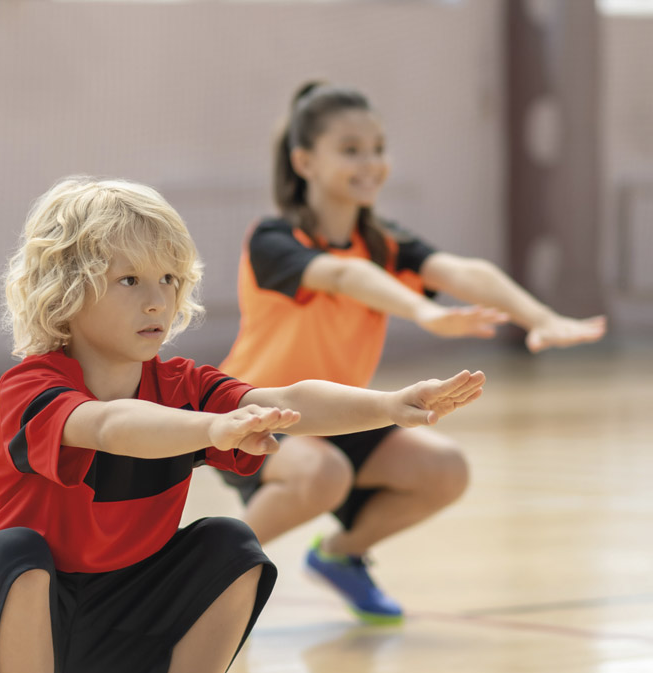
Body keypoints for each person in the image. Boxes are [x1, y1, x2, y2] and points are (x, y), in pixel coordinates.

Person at [0, 176, 485, 673]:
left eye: (170, 278)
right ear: (64, 289)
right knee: (17, 552)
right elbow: (116, 425)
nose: (158, 299)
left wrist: (389, 405)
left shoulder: (183, 385)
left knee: (231, 546)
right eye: (128, 280)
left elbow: (291, 397)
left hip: (100, 637)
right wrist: (213, 426)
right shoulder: (33, 388)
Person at [218, 81, 606, 624]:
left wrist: (540, 318)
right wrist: (422, 312)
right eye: (351, 149)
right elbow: (344, 275)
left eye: (378, 148)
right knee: (322, 475)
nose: (371, 162)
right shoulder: (274, 238)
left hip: (341, 415)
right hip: (255, 412)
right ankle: (208, 582)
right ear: (304, 160)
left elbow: (463, 271)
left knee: (445, 470)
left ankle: (341, 556)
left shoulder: (386, 243)